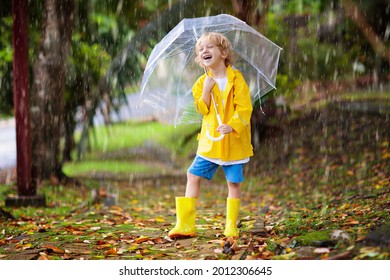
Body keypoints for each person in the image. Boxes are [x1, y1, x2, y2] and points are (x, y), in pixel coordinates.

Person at [168, 32, 253, 239]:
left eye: (210, 47)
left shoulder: (236, 79)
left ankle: (231, 226)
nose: (204, 51)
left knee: (233, 182)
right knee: (193, 175)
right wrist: (206, 90)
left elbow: (244, 108)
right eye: (200, 50)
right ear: (199, 59)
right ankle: (185, 225)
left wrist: (232, 125)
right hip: (210, 143)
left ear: (223, 53)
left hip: (233, 142)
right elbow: (203, 109)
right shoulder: (200, 83)